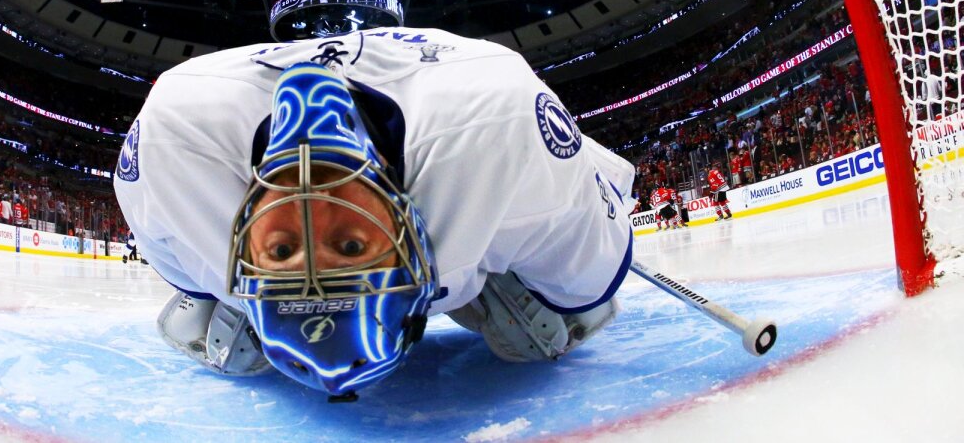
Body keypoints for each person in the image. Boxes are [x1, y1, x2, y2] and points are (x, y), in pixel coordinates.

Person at [115, 28, 634, 400]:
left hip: (475, 139)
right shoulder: (500, 122)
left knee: (221, 329)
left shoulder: (172, 144)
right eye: (350, 247)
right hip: (480, 142)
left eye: (283, 249)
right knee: (550, 321)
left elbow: (198, 279)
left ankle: (260, 298)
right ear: (416, 251)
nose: (312, 214)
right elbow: (583, 285)